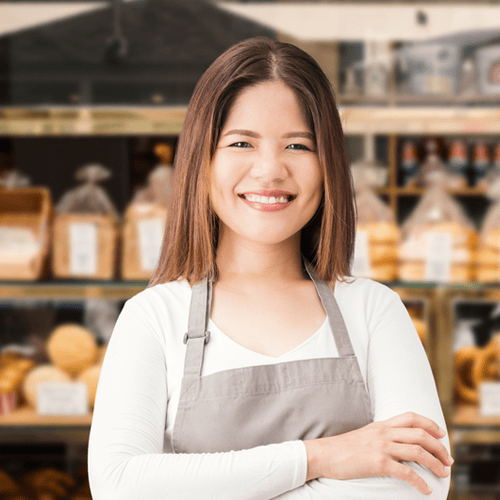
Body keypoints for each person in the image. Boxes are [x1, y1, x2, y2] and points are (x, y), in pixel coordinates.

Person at [88, 37, 452, 499]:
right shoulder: (153, 317)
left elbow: (421, 484)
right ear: (204, 159)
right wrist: (321, 456)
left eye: (297, 145)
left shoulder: (374, 310)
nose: (270, 170)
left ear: (328, 165)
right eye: (241, 142)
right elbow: (119, 487)